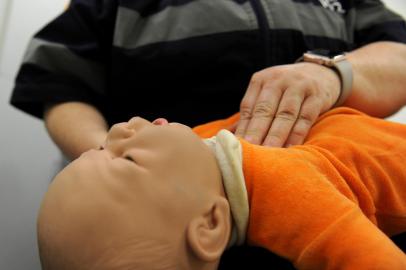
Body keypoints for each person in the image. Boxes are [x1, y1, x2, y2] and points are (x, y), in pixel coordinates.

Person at [9, 0, 406, 161]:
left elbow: (400, 56)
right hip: (166, 225)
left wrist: (331, 74)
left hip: (349, 208)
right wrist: (115, 162)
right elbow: (60, 83)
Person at [37, 107, 406, 270]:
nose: (119, 130)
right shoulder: (295, 200)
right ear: (211, 225)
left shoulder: (199, 156)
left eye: (102, 147)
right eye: (129, 159)